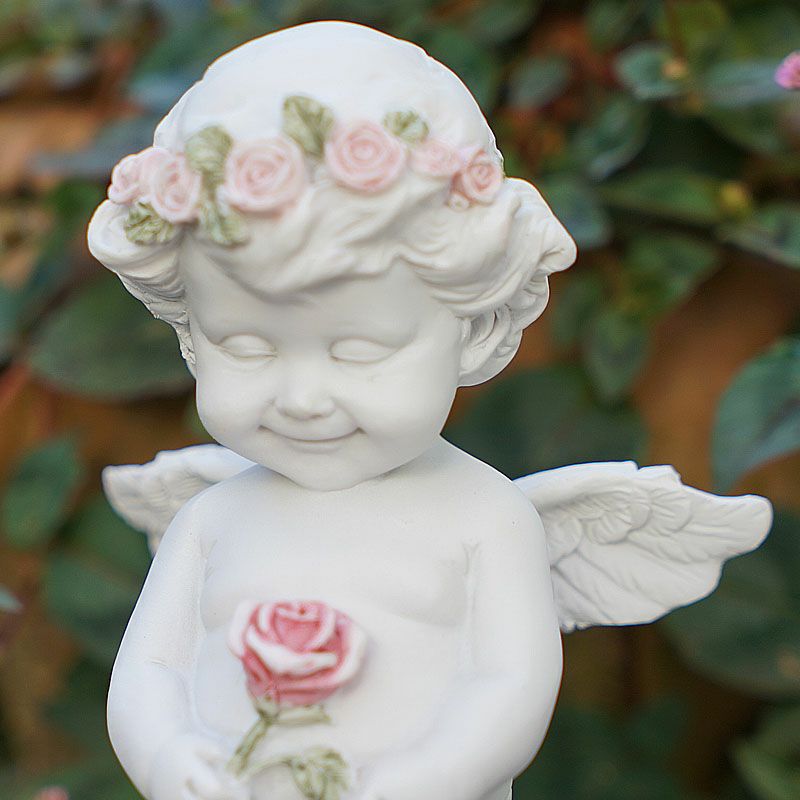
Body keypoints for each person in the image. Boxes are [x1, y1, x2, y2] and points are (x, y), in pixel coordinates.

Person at [88, 20, 576, 800]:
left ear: (475, 330)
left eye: (358, 351)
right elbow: (150, 669)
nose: (302, 399)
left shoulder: (485, 517)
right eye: (245, 346)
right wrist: (165, 754)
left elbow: (511, 683)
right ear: (190, 335)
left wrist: (434, 775)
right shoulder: (213, 518)